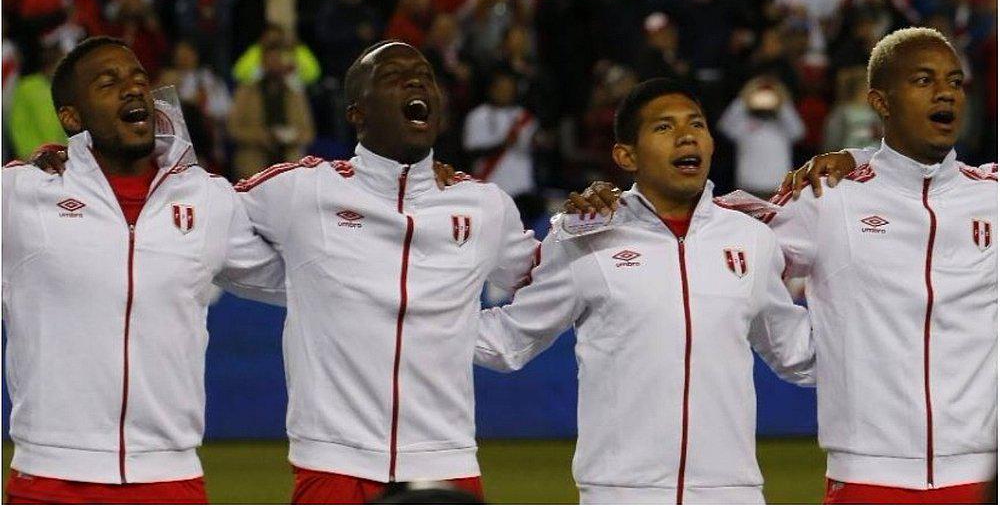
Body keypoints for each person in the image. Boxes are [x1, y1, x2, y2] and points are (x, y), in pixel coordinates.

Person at [566, 27, 997, 504]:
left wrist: (853, 156)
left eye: (955, 83)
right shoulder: (826, 199)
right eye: (923, 80)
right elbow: (711, 237)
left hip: (985, 475)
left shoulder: (991, 195)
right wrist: (615, 208)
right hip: (867, 474)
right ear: (880, 101)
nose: (945, 93)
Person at [475, 78, 816, 504]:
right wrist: (409, 317)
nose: (687, 135)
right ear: (626, 155)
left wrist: (898, 328)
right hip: (620, 492)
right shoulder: (586, 236)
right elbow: (509, 341)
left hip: (733, 492)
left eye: (697, 124)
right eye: (664, 127)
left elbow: (798, 353)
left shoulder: (752, 238)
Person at [234, 40, 540, 503]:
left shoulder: (483, 205)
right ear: (357, 112)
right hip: (334, 464)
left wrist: (470, 332)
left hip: (445, 462)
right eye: (394, 76)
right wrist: (304, 284)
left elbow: (550, 281)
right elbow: (198, 227)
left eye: (425, 76)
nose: (417, 81)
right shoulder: (302, 190)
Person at [3, 37, 285, 504]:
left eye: (138, 79)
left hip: (170, 479)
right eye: (108, 82)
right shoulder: (20, 195)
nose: (132, 90)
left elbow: (311, 273)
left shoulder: (208, 200)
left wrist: (420, 193)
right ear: (72, 118)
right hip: (51, 477)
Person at [228, 44, 316, 179]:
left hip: (289, 161)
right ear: (262, 63)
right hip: (253, 162)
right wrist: (260, 136)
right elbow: (233, 129)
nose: (274, 65)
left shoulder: (295, 94)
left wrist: (290, 136)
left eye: (277, 60)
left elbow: (308, 133)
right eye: (270, 60)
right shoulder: (245, 93)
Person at [463, 70, 538, 216]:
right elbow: (471, 152)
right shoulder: (477, 115)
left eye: (508, 89)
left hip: (522, 191)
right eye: (501, 88)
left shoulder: (524, 117)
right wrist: (503, 144)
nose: (505, 92)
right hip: (488, 187)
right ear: (491, 89)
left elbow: (534, 146)